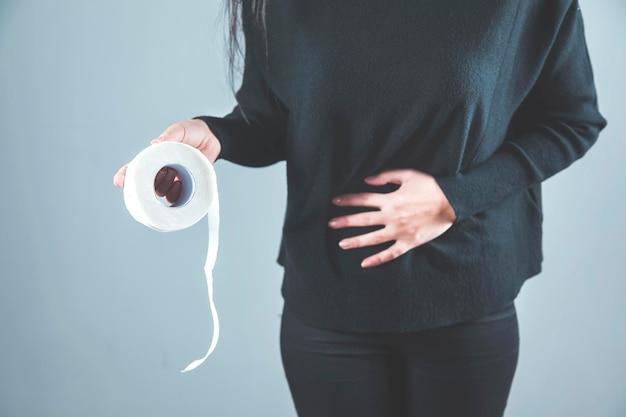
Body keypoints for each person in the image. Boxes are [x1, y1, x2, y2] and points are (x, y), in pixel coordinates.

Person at [114, 1, 606, 416]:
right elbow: (271, 122)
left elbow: (572, 120)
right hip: (329, 305)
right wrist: (213, 134)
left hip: (465, 302)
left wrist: (454, 199)